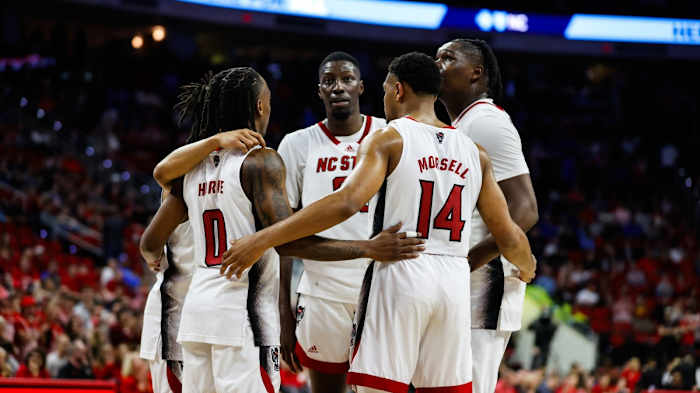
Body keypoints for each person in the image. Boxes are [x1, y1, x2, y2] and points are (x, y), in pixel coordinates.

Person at [219, 52, 536, 393]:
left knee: (379, 387)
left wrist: (262, 238)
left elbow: (346, 202)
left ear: (398, 90)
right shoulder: (475, 152)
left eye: (385, 90)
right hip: (454, 281)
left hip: (402, 272)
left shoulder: (390, 136)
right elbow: (508, 232)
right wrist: (526, 263)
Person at [140, 67, 424, 393]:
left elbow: (150, 242)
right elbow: (289, 243)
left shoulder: (190, 169)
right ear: (260, 105)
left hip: (197, 317)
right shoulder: (260, 161)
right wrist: (367, 248)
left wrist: (157, 260)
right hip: (243, 320)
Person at [276, 51, 386, 393]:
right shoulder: (296, 145)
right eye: (329, 81)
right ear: (319, 90)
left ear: (361, 87)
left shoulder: (388, 135)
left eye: (347, 79)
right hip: (320, 291)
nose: (338, 87)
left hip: (381, 286)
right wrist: (283, 312)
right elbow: (283, 237)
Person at [436, 38, 539, 393]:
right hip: (461, 277)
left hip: (484, 280)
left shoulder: (487, 122)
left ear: (476, 73)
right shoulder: (459, 125)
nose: (438, 64)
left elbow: (525, 209)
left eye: (448, 58)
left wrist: (470, 261)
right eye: (436, 58)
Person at [140, 129, 262, 393]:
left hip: (210, 310)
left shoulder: (229, 178)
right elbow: (161, 171)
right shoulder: (188, 180)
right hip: (177, 311)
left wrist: (153, 254)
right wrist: (215, 142)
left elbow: (149, 247)